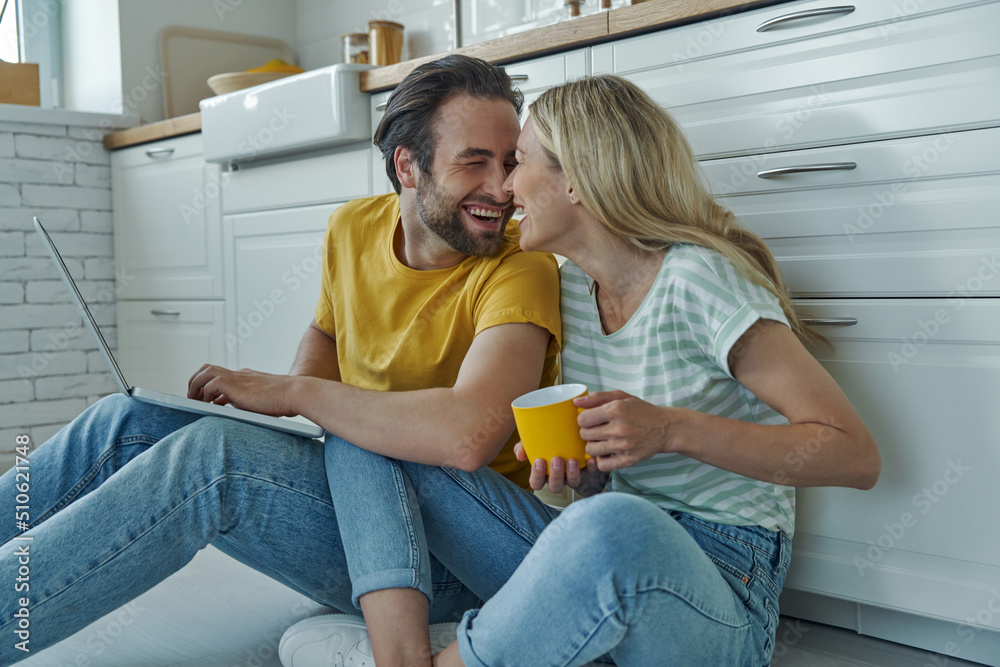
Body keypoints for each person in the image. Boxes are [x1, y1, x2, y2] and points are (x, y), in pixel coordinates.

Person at [282, 75, 881, 666]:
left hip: (720, 580)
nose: (506, 186)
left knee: (613, 526)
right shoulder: (567, 291)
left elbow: (853, 456)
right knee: (374, 426)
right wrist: (580, 473)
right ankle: (405, 650)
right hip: (602, 557)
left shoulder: (699, 282)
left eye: (518, 161)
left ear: (577, 180)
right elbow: (588, 490)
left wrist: (672, 430)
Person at [0, 54, 562, 666]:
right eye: (473, 161)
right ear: (408, 166)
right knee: (124, 421)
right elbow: (324, 332)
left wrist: (297, 396)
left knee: (212, 461)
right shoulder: (353, 228)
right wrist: (301, 390)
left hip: (448, 555)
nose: (502, 188)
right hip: (363, 490)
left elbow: (469, 434)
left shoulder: (520, 267)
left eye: (509, 163)